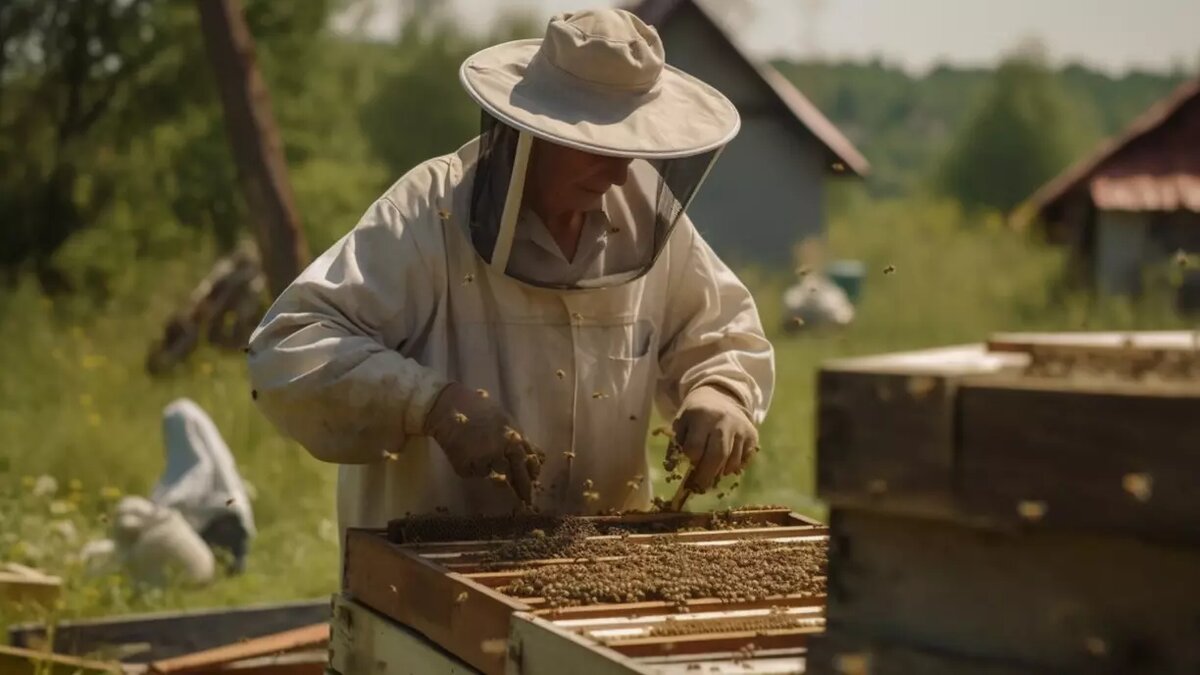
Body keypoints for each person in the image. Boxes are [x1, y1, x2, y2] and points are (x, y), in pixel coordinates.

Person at [246, 9, 774, 544]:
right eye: (596, 144)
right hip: (432, 576)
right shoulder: (427, 214)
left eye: (631, 146)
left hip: (595, 570)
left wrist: (721, 392)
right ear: (532, 131)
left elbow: (721, 334)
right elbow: (288, 347)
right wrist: (430, 403)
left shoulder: (649, 223)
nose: (618, 173)